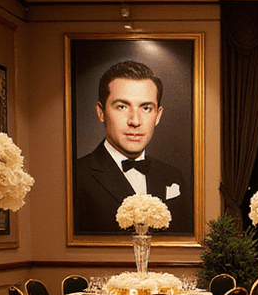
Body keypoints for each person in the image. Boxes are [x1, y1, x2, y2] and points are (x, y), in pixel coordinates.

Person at [73, 60, 191, 236]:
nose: (135, 121)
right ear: (101, 112)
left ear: (157, 116)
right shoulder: (76, 176)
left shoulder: (173, 175)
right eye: (122, 106)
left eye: (145, 108)